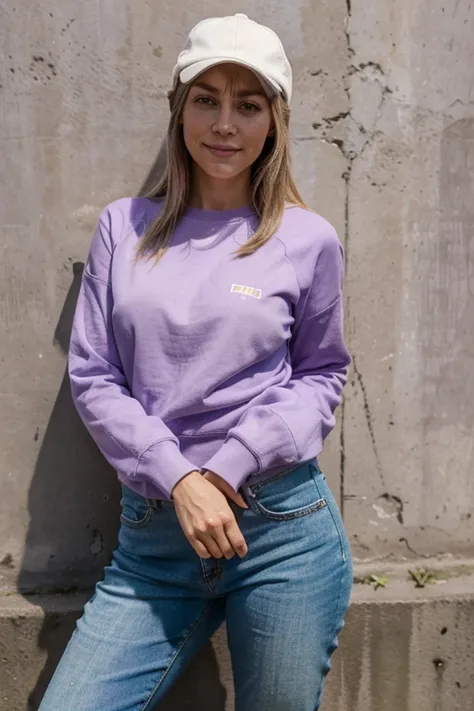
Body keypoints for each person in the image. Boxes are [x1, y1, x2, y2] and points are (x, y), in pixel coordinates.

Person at [39, 13, 352, 711]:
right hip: (155, 545)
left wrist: (227, 465)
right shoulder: (124, 229)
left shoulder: (308, 240)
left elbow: (321, 374)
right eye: (206, 98)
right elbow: (94, 375)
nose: (224, 124)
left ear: (275, 120)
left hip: (280, 535)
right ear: (180, 108)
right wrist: (180, 477)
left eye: (248, 105)